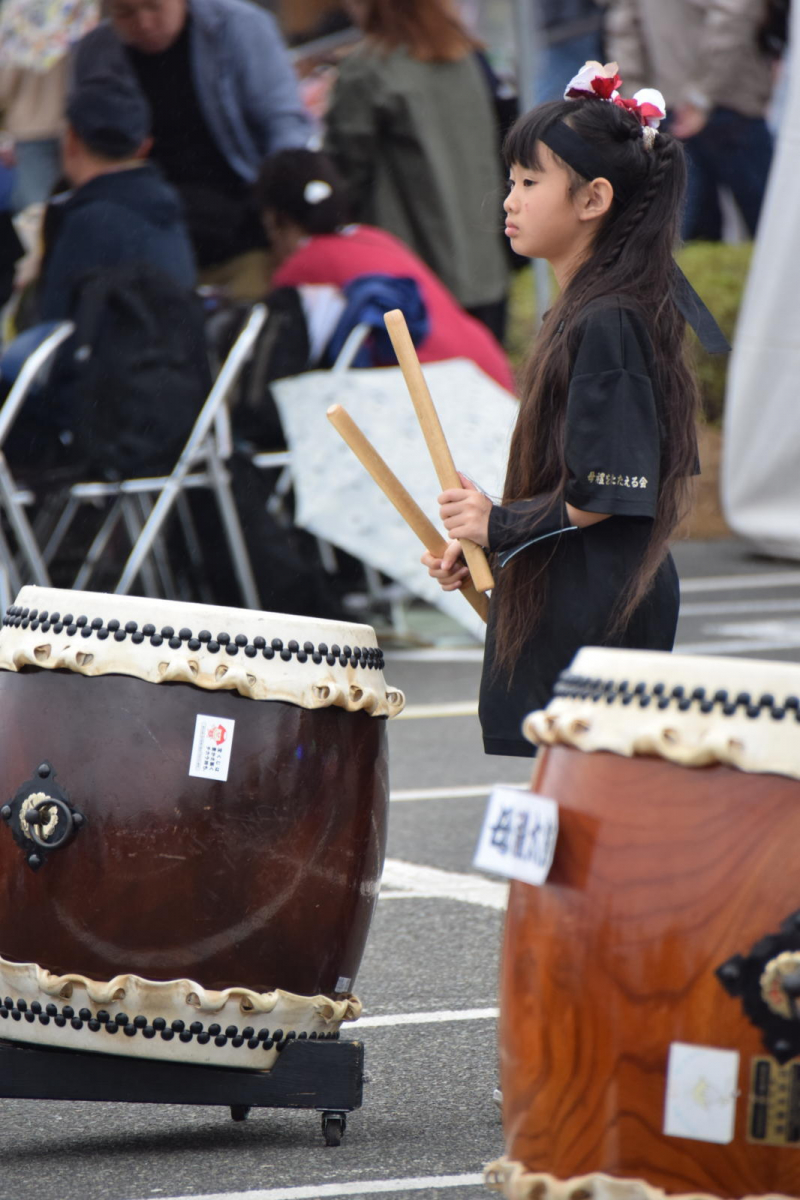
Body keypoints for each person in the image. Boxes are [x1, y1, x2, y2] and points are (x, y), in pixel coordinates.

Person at [424, 62, 710, 757]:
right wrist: (499, 538)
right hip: (585, 588)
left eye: (529, 181)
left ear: (593, 199)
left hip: (604, 601)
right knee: (582, 818)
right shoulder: (590, 308)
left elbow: (604, 491)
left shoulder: (608, 317)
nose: (510, 200)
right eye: (512, 181)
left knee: (597, 822)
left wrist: (499, 521)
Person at [71, 0, 313, 300]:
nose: (144, 23)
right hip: (151, 247)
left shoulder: (238, 27)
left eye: (153, 7)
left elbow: (285, 124)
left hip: (243, 234)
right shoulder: (97, 53)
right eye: (125, 13)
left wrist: (281, 209)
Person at [324, 0, 509, 340]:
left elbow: (344, 172)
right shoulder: (467, 55)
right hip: (485, 265)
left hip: (412, 275)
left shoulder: (368, 68)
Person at [258, 148, 515, 392]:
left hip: (439, 390)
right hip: (488, 371)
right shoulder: (372, 237)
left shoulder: (303, 267)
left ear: (273, 219)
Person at [605, 0, 775, 240]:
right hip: (720, 100)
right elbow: (735, 15)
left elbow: (623, 29)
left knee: (695, 229)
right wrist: (698, 96)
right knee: (770, 224)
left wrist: (640, 100)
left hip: (681, 102)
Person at [36, 71, 194, 321]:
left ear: (72, 140)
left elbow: (55, 330)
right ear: (144, 147)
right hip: (177, 358)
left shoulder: (88, 222)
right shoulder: (168, 210)